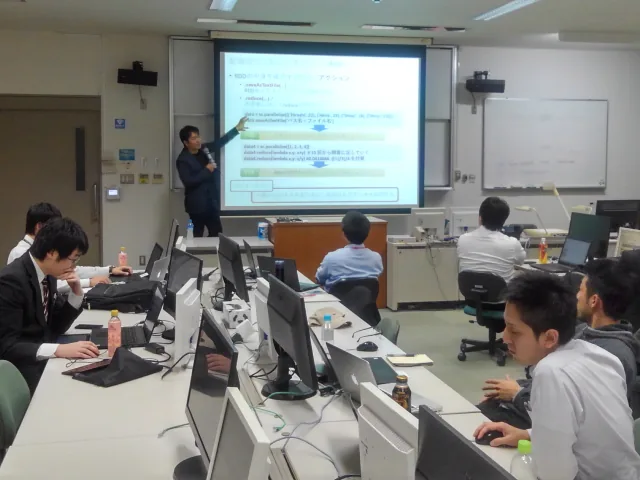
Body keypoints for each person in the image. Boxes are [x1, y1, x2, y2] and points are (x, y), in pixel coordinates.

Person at [474, 272, 640, 480]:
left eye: (514, 331)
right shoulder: (600, 355)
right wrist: (529, 435)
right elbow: (589, 430)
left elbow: (555, 475)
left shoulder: (551, 372)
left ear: (550, 337)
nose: (505, 337)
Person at [0, 218, 100, 393]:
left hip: (44, 360)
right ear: (52, 253)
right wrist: (59, 350)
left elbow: (57, 326)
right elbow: (7, 347)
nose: (73, 267)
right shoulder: (11, 281)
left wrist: (76, 293)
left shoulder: (48, 274)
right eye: (72, 259)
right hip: (22, 370)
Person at [8, 202, 132, 293]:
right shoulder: (21, 253)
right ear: (39, 226)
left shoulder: (44, 251)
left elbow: (72, 271)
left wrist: (109, 270)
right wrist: (88, 282)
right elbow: (47, 285)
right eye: (53, 227)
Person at [176, 118, 248, 238]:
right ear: (186, 143)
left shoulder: (203, 149)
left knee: (217, 234)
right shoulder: (183, 160)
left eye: (198, 136)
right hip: (197, 206)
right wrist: (207, 170)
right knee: (197, 236)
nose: (198, 140)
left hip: (211, 203)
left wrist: (236, 130)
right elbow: (189, 181)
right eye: (193, 138)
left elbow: (219, 143)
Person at [457, 197, 526, 283]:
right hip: (501, 291)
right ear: (503, 221)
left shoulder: (463, 239)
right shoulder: (512, 243)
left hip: (469, 289)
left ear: (480, 218)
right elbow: (521, 261)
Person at [316, 211, 383, 292]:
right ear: (368, 233)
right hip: (365, 300)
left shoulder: (332, 258)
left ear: (344, 233)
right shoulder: (376, 258)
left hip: (334, 300)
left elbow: (319, 279)